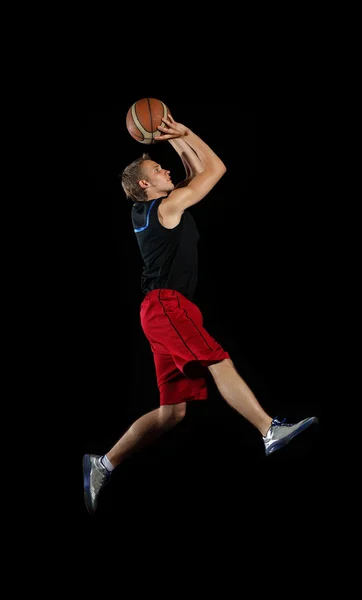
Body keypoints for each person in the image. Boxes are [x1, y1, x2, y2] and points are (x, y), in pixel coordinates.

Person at [83, 112, 319, 516]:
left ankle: (101, 465)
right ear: (145, 183)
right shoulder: (168, 205)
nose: (166, 169)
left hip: (156, 310)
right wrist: (185, 132)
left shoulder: (150, 211)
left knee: (172, 412)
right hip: (167, 305)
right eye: (158, 169)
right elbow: (215, 169)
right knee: (219, 359)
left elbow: (195, 173)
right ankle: (268, 429)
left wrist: (173, 138)